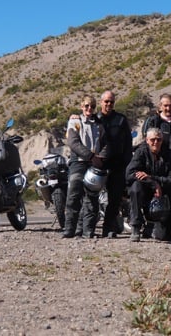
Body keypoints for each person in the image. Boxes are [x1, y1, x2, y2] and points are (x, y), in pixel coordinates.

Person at [62, 95, 107, 238]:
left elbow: (106, 142)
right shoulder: (75, 121)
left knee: (92, 197)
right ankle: (69, 229)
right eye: (87, 105)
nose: (89, 109)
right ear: (82, 106)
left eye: (92, 106)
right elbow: (73, 142)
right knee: (73, 195)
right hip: (78, 161)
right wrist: (91, 156)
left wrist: (101, 157)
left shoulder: (100, 123)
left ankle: (88, 231)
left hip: (95, 163)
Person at [125, 128, 171, 242]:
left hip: (164, 193)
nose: (156, 142)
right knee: (135, 188)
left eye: (159, 139)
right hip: (146, 189)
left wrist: (153, 179)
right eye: (153, 139)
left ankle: (167, 227)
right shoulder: (141, 152)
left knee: (161, 236)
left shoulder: (170, 155)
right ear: (147, 140)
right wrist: (152, 183)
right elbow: (130, 174)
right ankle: (135, 226)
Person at [97, 90, 133, 238]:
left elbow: (128, 143)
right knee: (92, 198)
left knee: (115, 198)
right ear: (101, 103)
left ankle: (108, 228)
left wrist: (126, 162)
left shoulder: (121, 120)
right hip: (98, 164)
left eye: (111, 102)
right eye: (106, 101)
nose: (108, 104)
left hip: (117, 165)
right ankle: (87, 228)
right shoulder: (95, 119)